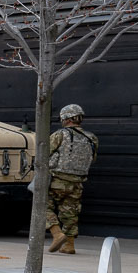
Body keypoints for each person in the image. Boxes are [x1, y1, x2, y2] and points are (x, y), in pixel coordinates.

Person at [46, 103, 98, 254]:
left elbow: (44, 153)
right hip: (77, 182)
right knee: (70, 212)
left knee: (42, 206)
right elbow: (92, 159)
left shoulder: (60, 134)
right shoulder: (92, 138)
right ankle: (69, 245)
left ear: (66, 119)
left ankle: (57, 234)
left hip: (57, 180)